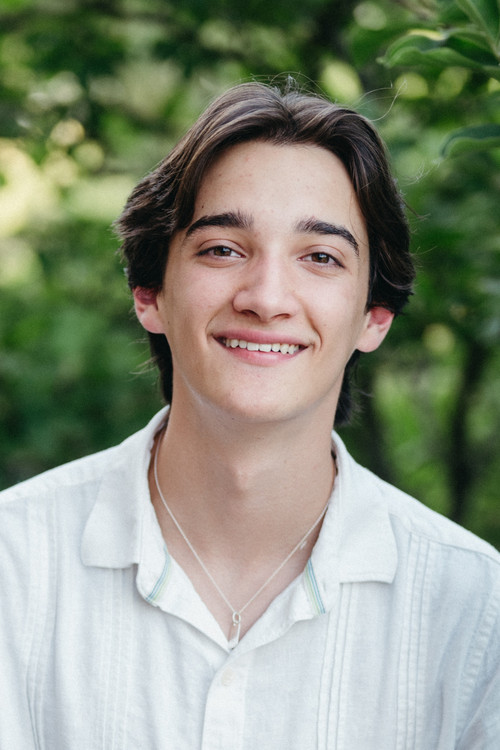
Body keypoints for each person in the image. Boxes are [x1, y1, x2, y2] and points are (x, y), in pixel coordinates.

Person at [1, 81, 499, 749]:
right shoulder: (13, 567)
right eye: (223, 249)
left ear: (374, 316)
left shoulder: (477, 612)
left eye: (320, 257)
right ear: (149, 293)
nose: (266, 298)